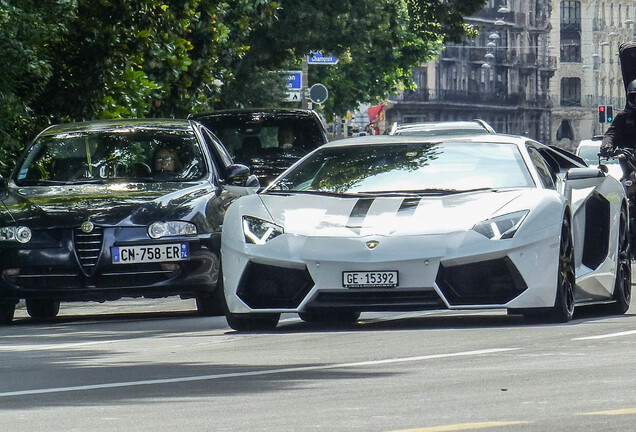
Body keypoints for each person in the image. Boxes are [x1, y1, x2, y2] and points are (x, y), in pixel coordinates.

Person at [600, 79, 636, 156]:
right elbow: (612, 133)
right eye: (634, 97)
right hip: (630, 160)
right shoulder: (623, 117)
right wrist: (607, 145)